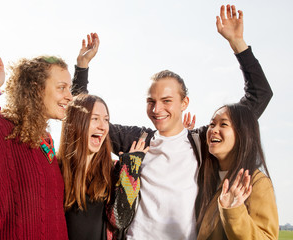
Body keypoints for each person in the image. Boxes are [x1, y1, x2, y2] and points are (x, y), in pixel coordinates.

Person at [73, 4, 273, 239]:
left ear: (184, 102)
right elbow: (83, 118)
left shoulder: (202, 142)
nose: (157, 109)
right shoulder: (135, 140)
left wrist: (238, 44)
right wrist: (82, 67)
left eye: (166, 100)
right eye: (151, 101)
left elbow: (260, 95)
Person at [0, 34, 99, 239]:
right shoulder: (3, 131)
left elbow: (78, 108)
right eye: (61, 88)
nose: (69, 95)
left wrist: (82, 65)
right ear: (36, 89)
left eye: (69, 88)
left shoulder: (44, 143)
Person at [58, 94, 148, 240]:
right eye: (95, 118)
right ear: (75, 122)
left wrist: (131, 167)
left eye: (106, 119)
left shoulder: (110, 172)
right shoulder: (55, 170)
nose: (103, 126)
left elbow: (121, 219)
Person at [195, 104, 278, 240]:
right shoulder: (206, 177)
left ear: (242, 134)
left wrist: (234, 211)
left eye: (223, 124)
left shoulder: (257, 182)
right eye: (212, 124)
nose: (214, 130)